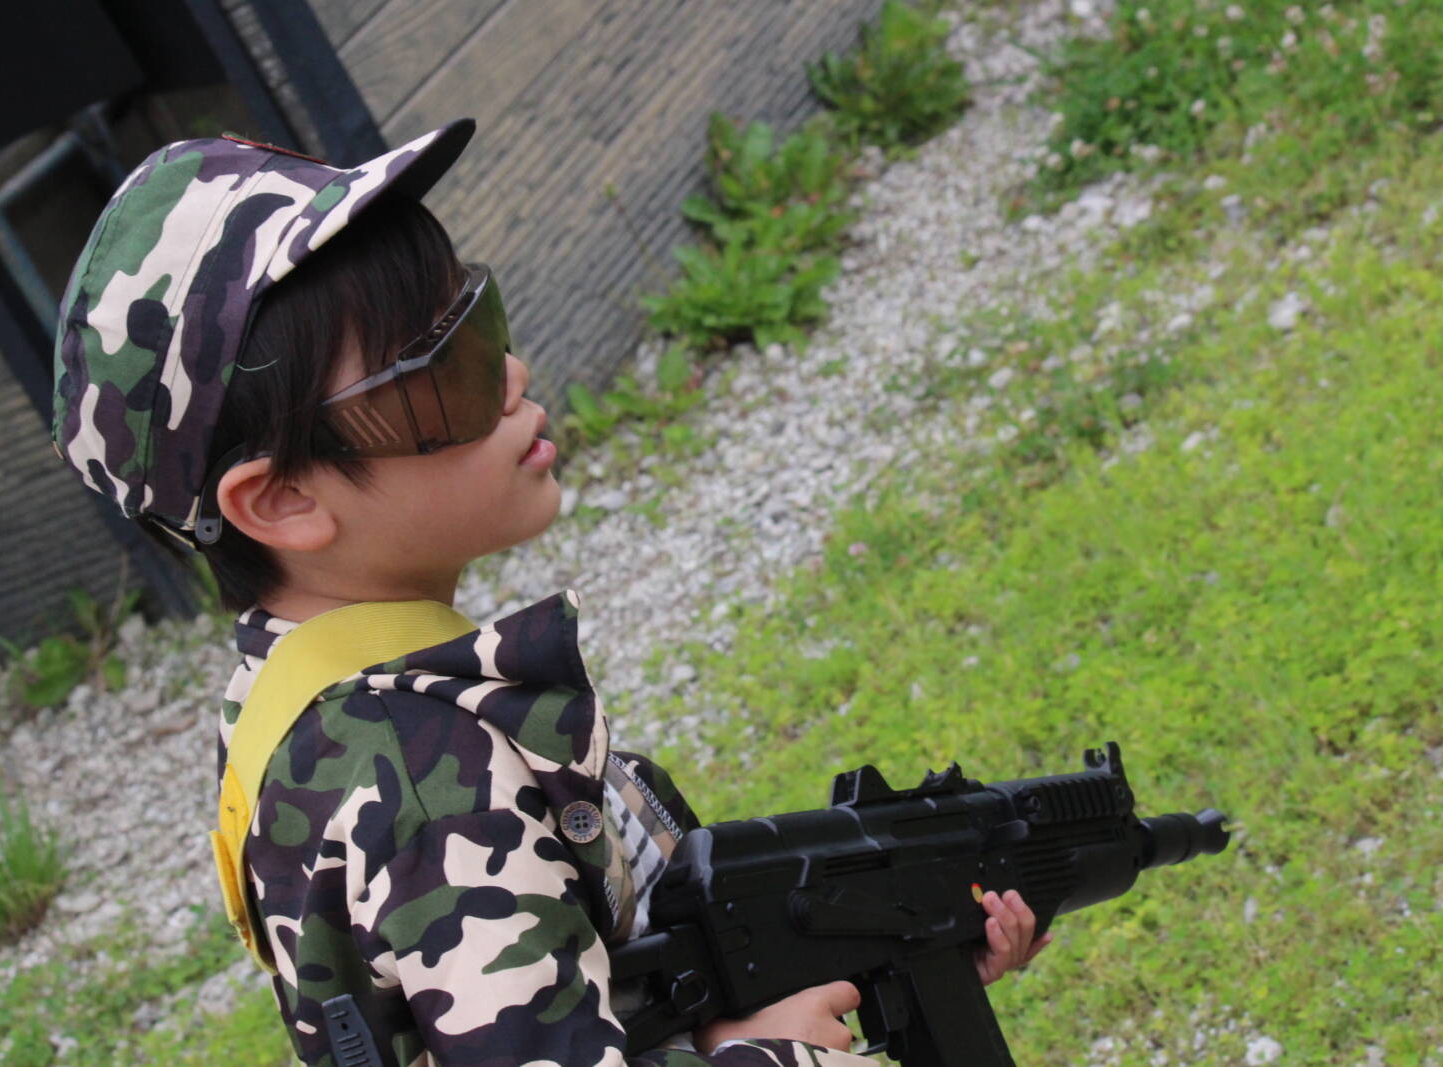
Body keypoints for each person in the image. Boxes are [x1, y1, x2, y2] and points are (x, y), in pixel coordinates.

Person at [52, 118, 1049, 1067]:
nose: (512, 376)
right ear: (284, 499)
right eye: (440, 372)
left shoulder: (303, 702)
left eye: (477, 319)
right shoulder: (423, 771)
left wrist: (868, 945)